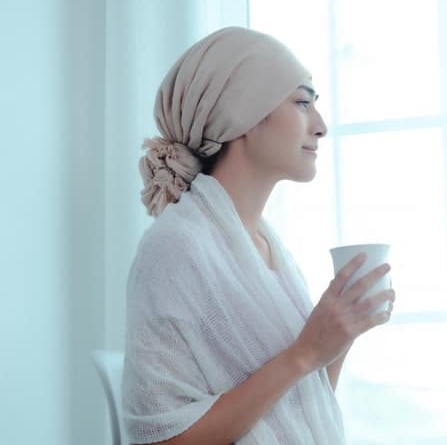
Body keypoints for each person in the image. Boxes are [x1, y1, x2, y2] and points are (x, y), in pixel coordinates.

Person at [121, 26, 396, 445]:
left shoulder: (267, 247)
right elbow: (161, 439)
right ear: (244, 114)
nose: (320, 126)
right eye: (302, 103)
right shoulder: (175, 249)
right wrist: (304, 354)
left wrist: (339, 336)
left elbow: (297, 407)